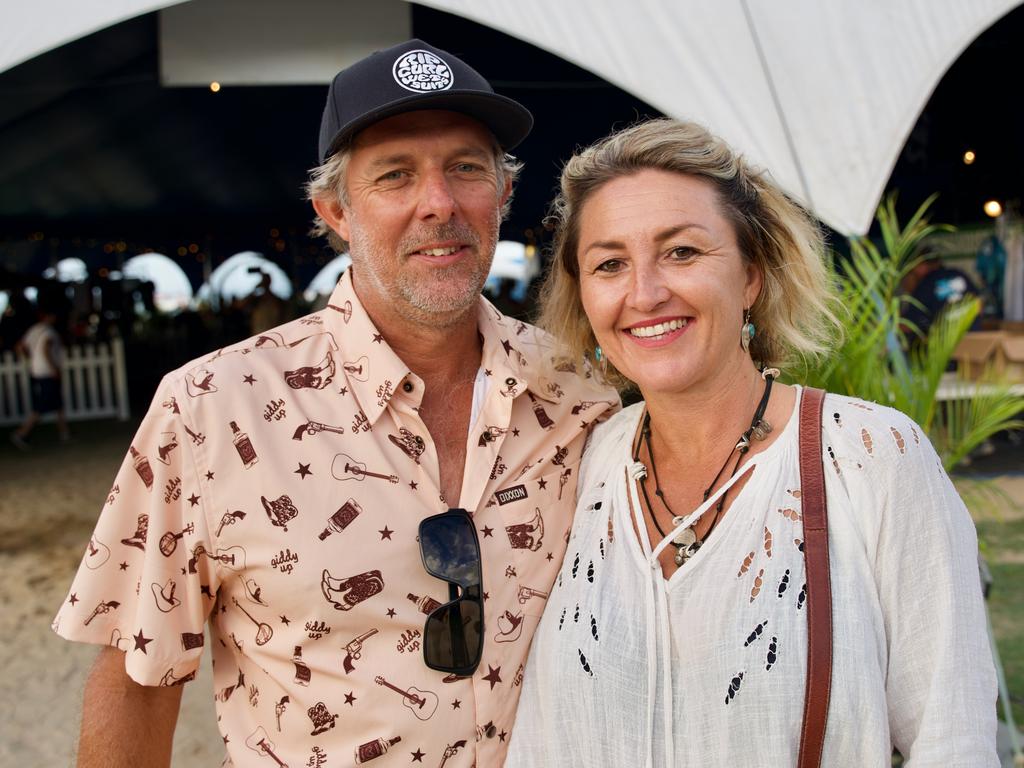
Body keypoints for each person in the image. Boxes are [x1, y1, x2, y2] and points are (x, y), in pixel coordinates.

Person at [53, 39, 616, 768]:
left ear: (503, 195)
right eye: (394, 175)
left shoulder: (582, 397)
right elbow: (138, 678)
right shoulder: (208, 411)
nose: (439, 203)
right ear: (336, 212)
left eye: (467, 168)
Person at [505, 119, 998, 766]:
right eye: (609, 264)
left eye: (682, 252)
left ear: (752, 278)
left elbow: (952, 742)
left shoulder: (871, 457)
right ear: (583, 295)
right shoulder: (582, 462)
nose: (645, 293)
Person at [11, 305, 68, 448]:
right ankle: (21, 433)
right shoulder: (48, 331)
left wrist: (30, 359)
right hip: (47, 371)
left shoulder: (34, 330)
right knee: (44, 403)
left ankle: (64, 432)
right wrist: (53, 367)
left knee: (56, 401)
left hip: (37, 370)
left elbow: (19, 346)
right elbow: (46, 349)